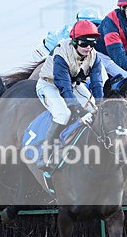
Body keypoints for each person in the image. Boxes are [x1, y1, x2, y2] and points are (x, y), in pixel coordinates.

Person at [36, 20, 104, 171]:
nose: (88, 48)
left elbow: (97, 83)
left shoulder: (95, 56)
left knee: (95, 109)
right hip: (49, 85)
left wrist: (100, 102)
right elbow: (63, 85)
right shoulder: (61, 52)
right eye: (84, 43)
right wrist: (77, 109)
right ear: (74, 41)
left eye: (92, 44)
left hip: (74, 85)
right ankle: (45, 156)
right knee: (63, 114)